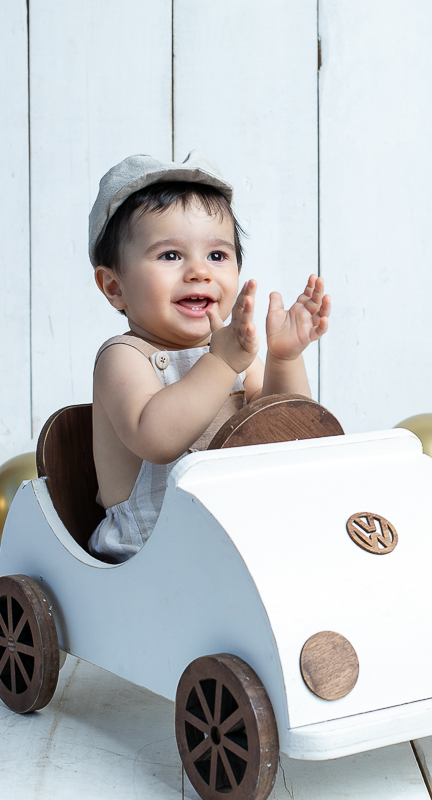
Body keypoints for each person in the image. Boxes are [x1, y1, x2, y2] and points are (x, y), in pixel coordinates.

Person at [85, 151, 330, 563]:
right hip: (150, 555)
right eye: (170, 255)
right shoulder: (124, 359)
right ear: (114, 287)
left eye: (217, 256)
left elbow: (288, 435)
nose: (199, 271)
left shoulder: (236, 355)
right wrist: (219, 364)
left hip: (233, 537)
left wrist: (284, 358)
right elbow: (157, 439)